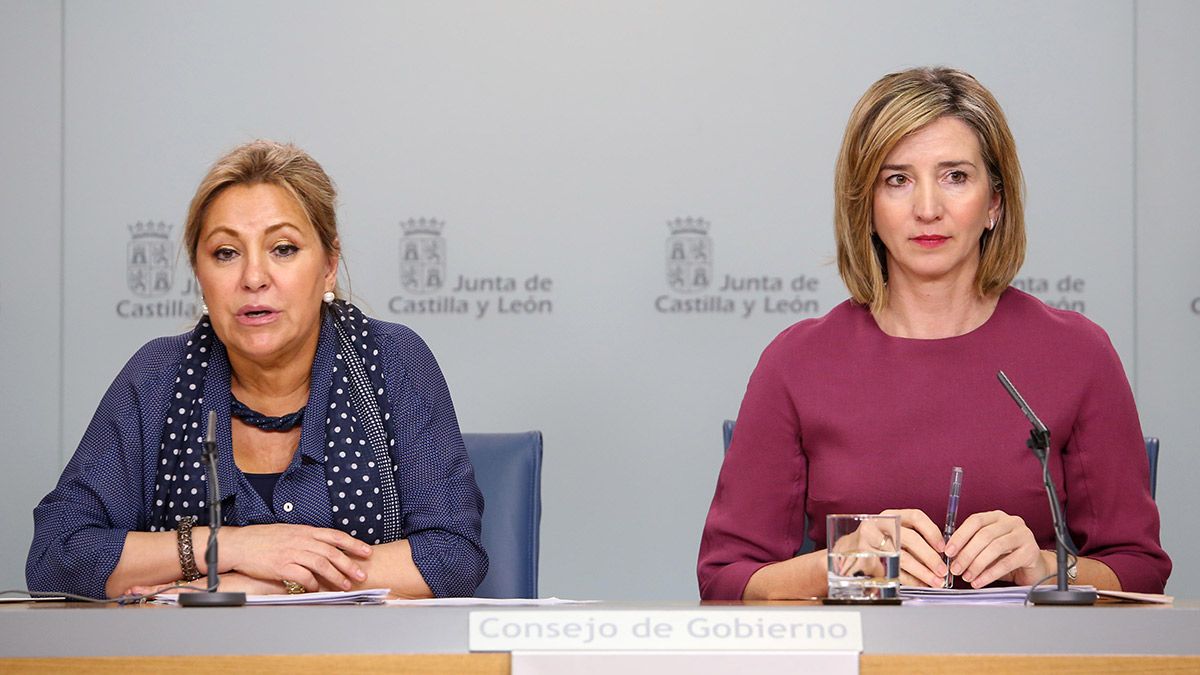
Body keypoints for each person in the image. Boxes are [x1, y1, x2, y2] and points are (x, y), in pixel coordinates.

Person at [697, 67, 1170, 600]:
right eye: (897, 179)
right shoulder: (797, 362)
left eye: (955, 176)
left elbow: (1140, 570)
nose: (927, 209)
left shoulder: (1078, 354)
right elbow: (725, 581)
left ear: (994, 202)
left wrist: (1048, 566)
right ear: (867, 207)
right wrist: (838, 565)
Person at [28, 140, 487, 599]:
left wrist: (264, 586)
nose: (253, 277)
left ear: (328, 266)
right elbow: (56, 556)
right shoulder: (156, 378)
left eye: (283, 249)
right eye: (226, 253)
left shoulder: (391, 361)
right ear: (199, 273)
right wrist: (227, 548)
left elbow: (450, 556)